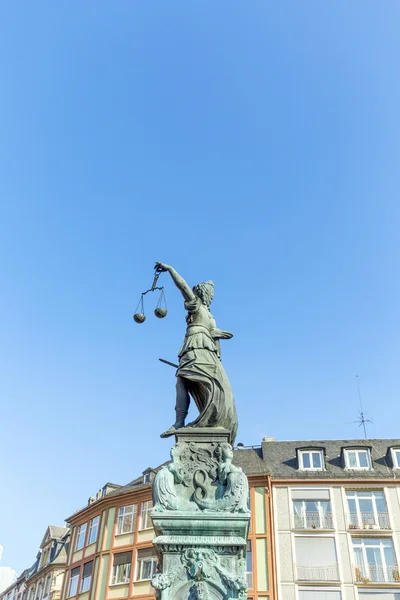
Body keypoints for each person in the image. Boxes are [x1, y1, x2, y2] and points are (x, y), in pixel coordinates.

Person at [155, 262, 238, 444]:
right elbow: (183, 287)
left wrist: (170, 270)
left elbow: (183, 288)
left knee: (183, 379)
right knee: (188, 380)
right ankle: (181, 421)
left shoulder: (203, 311)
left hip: (198, 348)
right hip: (202, 350)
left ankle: (180, 421)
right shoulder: (203, 311)